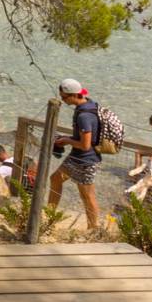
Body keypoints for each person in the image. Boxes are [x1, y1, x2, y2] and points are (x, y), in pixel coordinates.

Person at [45, 78, 104, 229]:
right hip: (76, 157)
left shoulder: (84, 116)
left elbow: (85, 145)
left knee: (87, 195)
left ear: (74, 95)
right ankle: (49, 215)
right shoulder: (88, 104)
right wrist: (68, 140)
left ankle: (93, 228)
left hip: (85, 160)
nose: (63, 101)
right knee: (55, 179)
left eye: (64, 97)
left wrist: (66, 140)